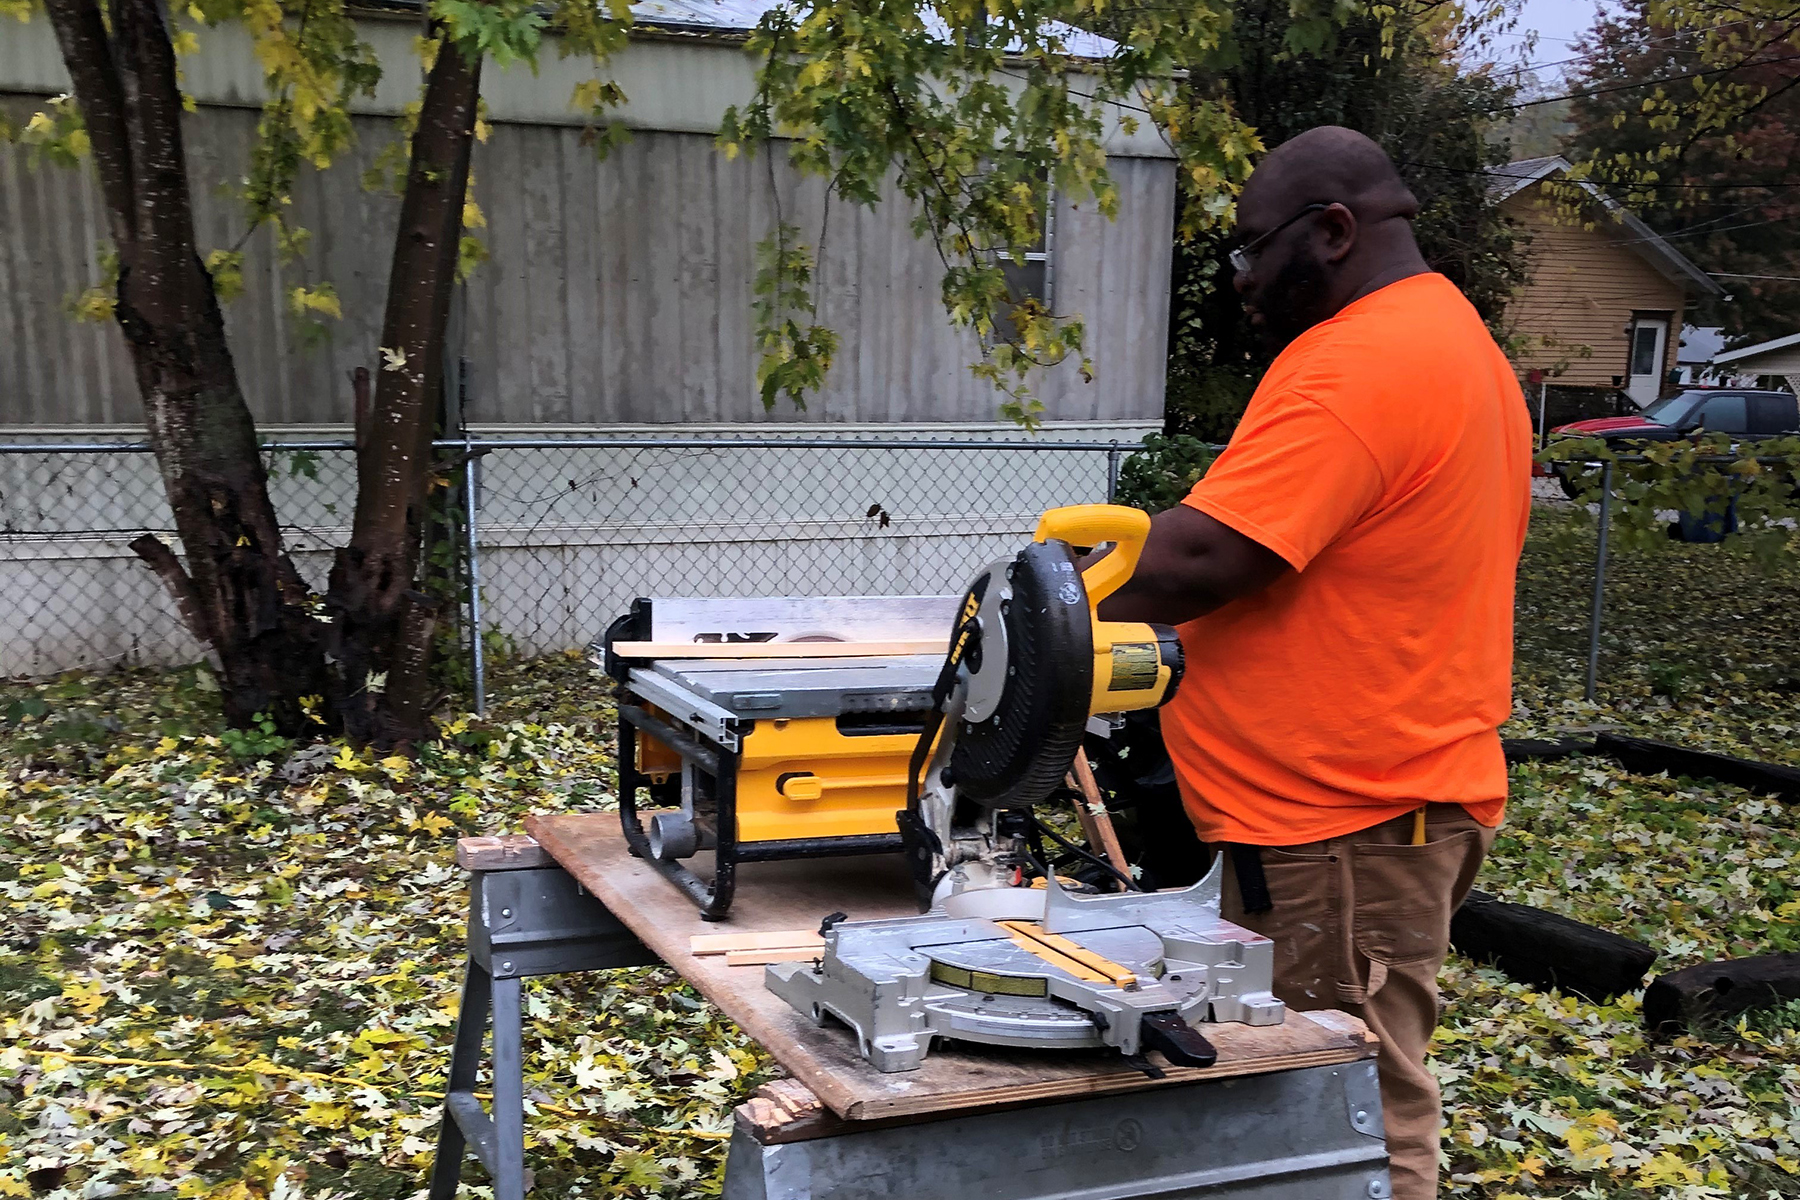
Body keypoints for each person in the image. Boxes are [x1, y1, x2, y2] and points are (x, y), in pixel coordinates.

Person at [1096, 126, 1531, 1200]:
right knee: (1293, 1105)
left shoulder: (1366, 359)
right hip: (1346, 816)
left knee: (1347, 1115)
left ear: (1332, 232)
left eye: (1250, 251)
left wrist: (1039, 597)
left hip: (1348, 824)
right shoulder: (1448, 341)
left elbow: (1205, 558)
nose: (1239, 280)